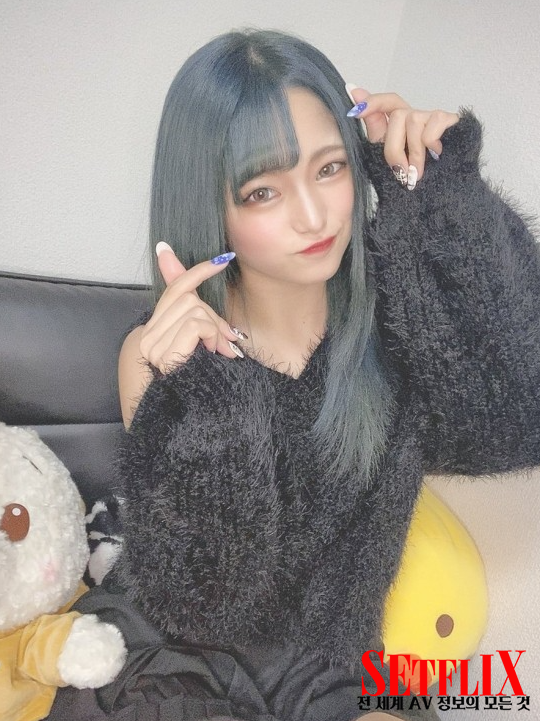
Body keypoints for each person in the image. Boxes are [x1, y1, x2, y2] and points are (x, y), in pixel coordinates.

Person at [50, 28, 540, 721]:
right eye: (262, 192)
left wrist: (446, 200)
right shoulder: (160, 352)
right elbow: (206, 603)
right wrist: (216, 400)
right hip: (179, 659)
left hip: (335, 670)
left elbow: (517, 420)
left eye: (329, 168)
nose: (313, 216)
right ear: (210, 204)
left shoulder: (396, 323)